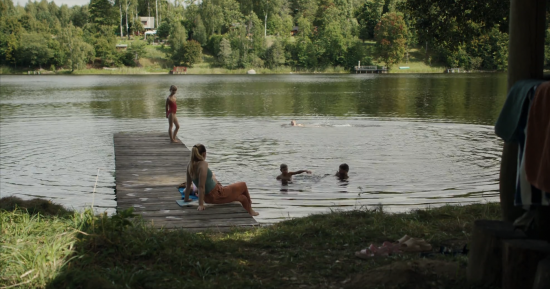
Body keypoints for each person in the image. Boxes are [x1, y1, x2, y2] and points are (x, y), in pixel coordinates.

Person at [184, 144, 259, 216]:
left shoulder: (190, 166)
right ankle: (251, 208)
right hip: (217, 194)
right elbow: (201, 186)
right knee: (243, 185)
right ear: (203, 154)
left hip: (209, 197)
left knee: (243, 198)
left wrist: (186, 199)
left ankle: (249, 213)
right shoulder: (203, 164)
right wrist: (200, 205)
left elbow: (188, 185)